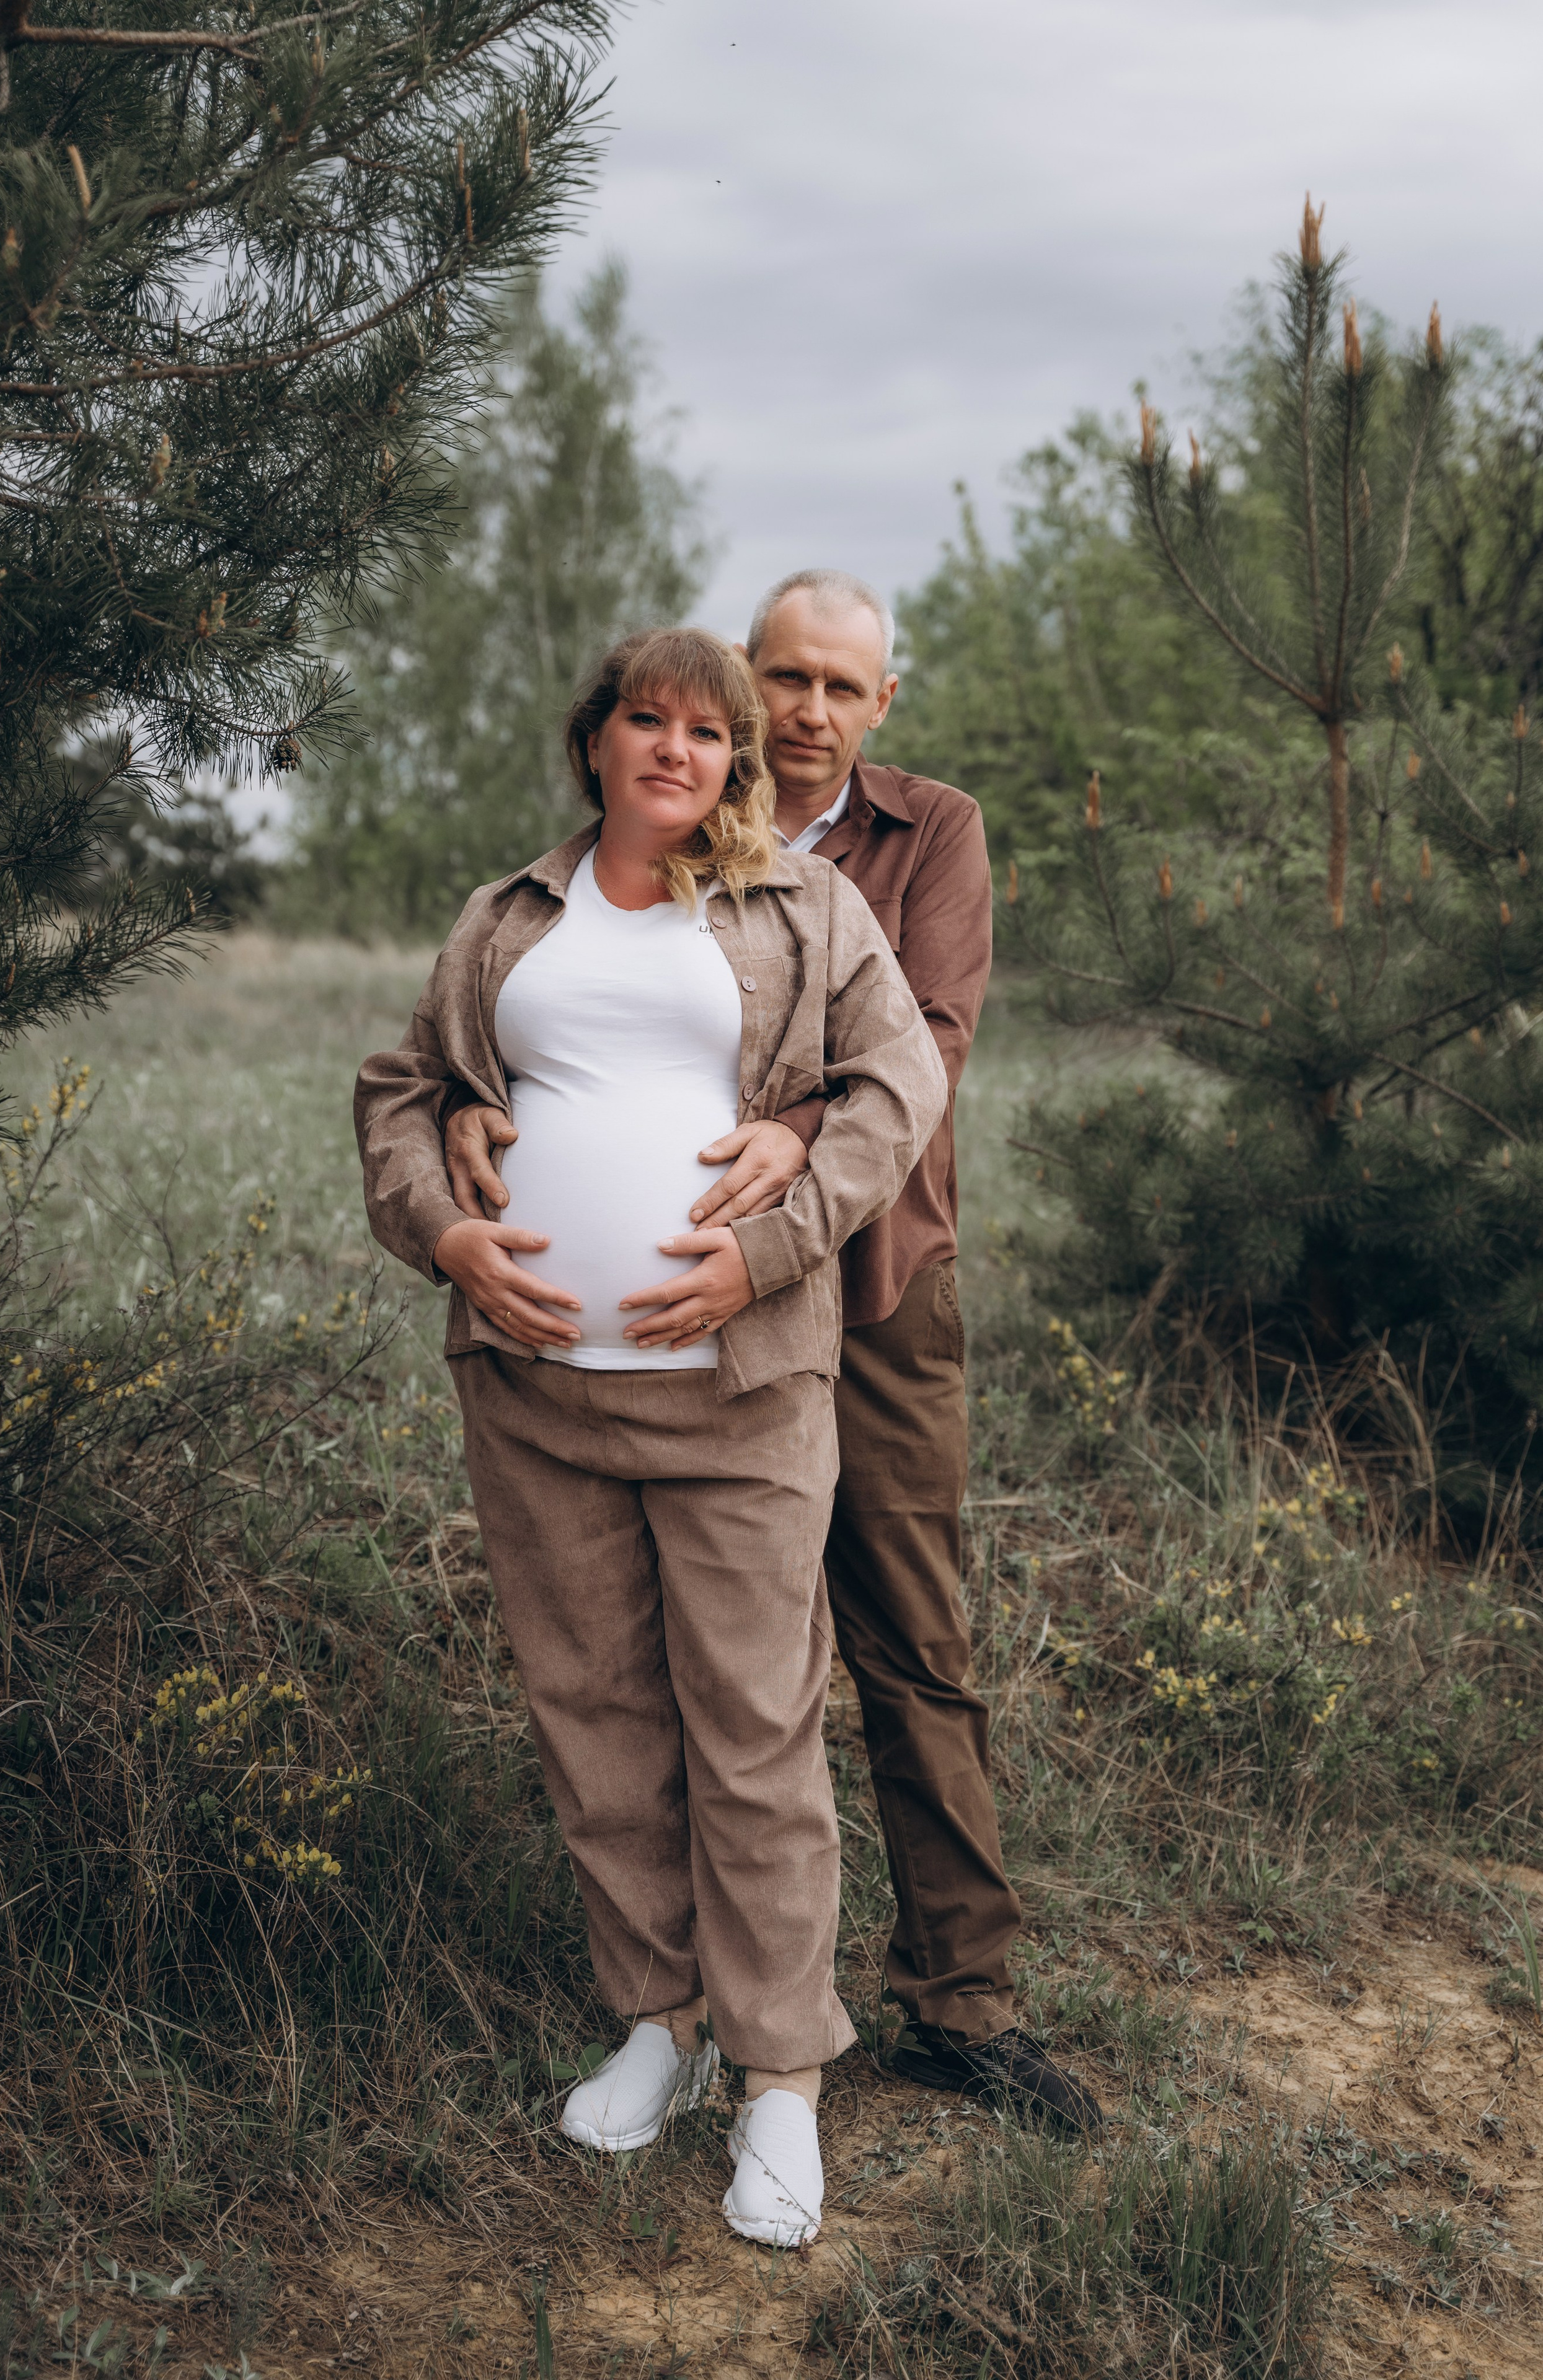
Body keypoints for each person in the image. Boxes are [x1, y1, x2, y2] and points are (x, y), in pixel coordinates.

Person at [447, 573, 1102, 2133]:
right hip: (631, 1357)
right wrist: (482, 1113)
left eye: (841, 689)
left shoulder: (913, 838)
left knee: (897, 1639)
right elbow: (481, 1049)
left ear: (881, 707)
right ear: (741, 692)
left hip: (864, 1290)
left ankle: (956, 2002)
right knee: (669, 1678)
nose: (807, 711)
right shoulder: (616, 863)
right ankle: (674, 2016)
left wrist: (775, 1148)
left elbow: (920, 1048)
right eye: (783, 679)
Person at [355, 627, 948, 2246]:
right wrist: (447, 1232)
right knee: (598, 1716)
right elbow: (402, 1094)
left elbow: (897, 1090)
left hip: (739, 1398)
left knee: (752, 1729)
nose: (674, 749)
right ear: (596, 741)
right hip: (537, 1397)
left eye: (708, 729)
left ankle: (778, 2083)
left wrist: (768, 1246)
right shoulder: (504, 920)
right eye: (646, 720)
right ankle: (659, 2028)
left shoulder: (799, 909)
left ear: (737, 762)